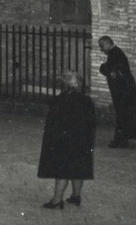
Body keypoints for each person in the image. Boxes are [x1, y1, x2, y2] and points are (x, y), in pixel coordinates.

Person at [37, 69, 96, 209]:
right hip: (82, 140)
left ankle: (57, 200)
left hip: (64, 140)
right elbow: (91, 122)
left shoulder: (59, 100)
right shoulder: (86, 101)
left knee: (62, 169)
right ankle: (76, 196)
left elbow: (52, 123)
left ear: (64, 84)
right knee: (78, 168)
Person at [97, 36, 136, 148]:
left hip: (123, 90)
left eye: (102, 46)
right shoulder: (116, 53)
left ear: (107, 43)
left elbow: (114, 71)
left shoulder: (115, 54)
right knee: (124, 113)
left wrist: (104, 68)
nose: (101, 49)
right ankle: (122, 138)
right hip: (125, 89)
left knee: (122, 113)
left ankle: (121, 140)